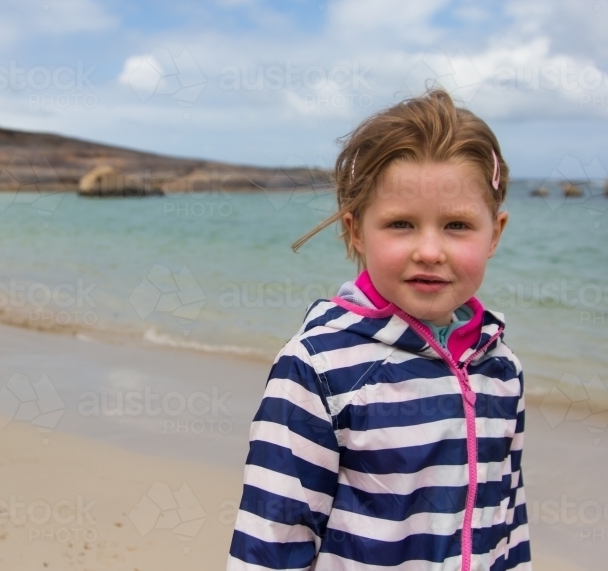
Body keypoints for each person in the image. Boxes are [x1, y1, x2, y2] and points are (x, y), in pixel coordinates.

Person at [227, 89, 530, 570]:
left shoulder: (500, 369)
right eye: (401, 224)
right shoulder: (317, 370)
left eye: (456, 225)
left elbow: (506, 520)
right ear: (354, 231)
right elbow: (272, 540)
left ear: (495, 233)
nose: (430, 250)